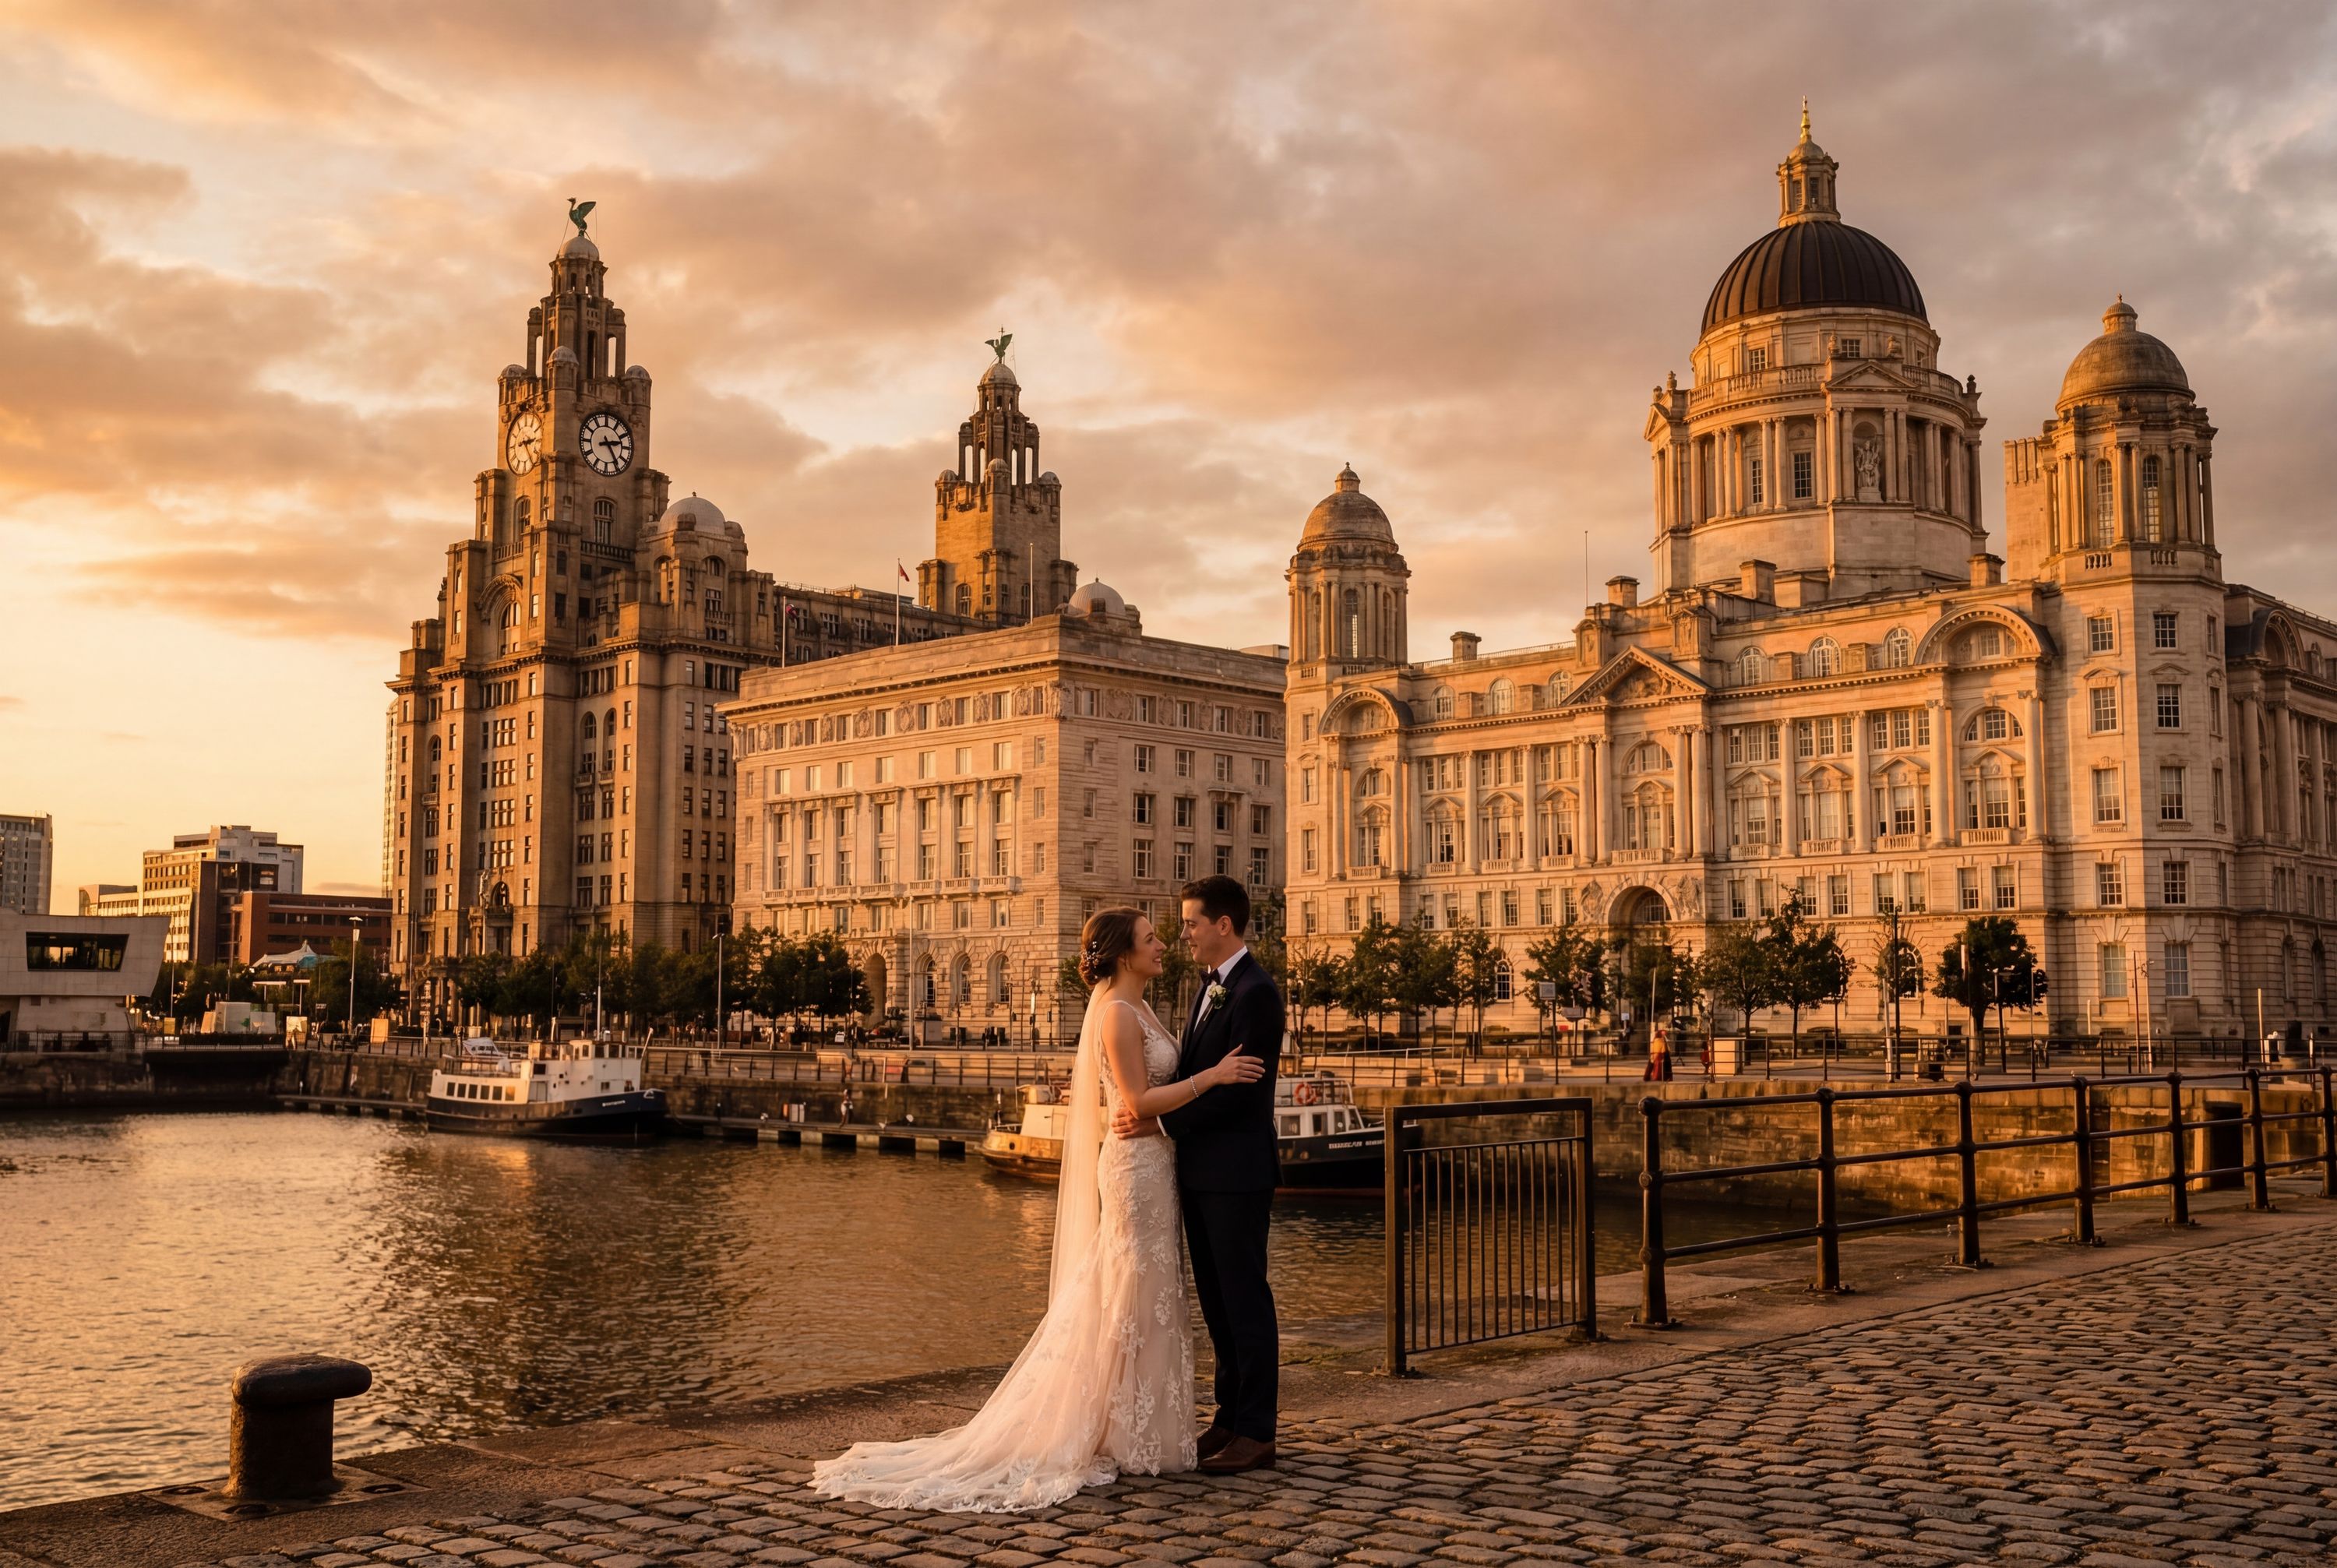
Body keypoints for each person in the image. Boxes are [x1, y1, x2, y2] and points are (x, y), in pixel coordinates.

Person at [809, 907, 1264, 1512]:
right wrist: (1212, 1076)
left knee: (1148, 1291)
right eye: (1152, 938)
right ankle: (1124, 1430)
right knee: (1131, 1291)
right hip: (1135, 1168)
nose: (1164, 945)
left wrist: (1162, 1106)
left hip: (1155, 1163)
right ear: (1124, 954)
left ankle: (1142, 1426)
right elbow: (1136, 1097)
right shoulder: (1116, 1014)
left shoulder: (1144, 1006)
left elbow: (1144, 1099)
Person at [1116, 874, 1285, 1475]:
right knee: (1216, 1302)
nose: (1182, 933)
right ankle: (1228, 1418)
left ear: (1223, 925)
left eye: (1190, 922)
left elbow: (1242, 1095)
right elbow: (1196, 1073)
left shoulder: (1256, 993)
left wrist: (1162, 1128)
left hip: (1237, 1172)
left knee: (1245, 1300)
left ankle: (1257, 1431)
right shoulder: (1209, 987)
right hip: (1202, 1173)